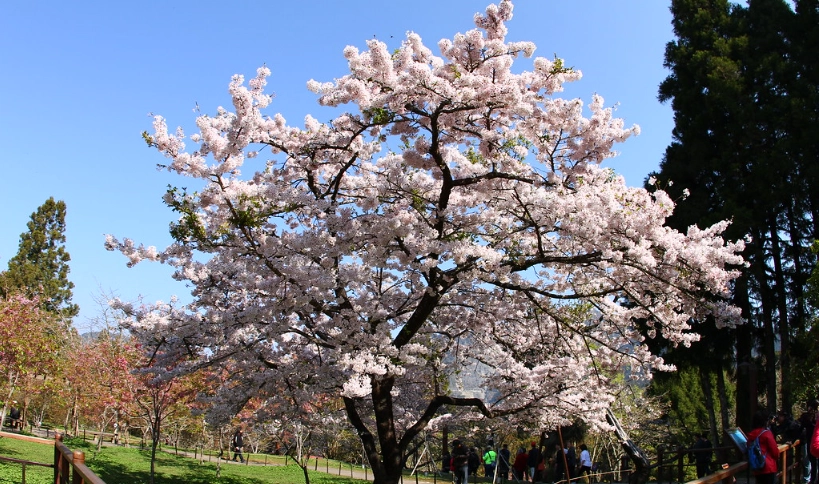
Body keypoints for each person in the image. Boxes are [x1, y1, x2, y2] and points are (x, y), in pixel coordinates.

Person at [748, 409, 780, 484]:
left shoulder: (750, 435)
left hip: (757, 468)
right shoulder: (766, 434)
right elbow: (775, 452)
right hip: (768, 467)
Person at [799, 400, 818, 484]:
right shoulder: (813, 418)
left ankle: (812, 480)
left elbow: (800, 429)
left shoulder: (806, 417)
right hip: (815, 441)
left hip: (810, 442)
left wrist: (793, 439)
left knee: (813, 464)